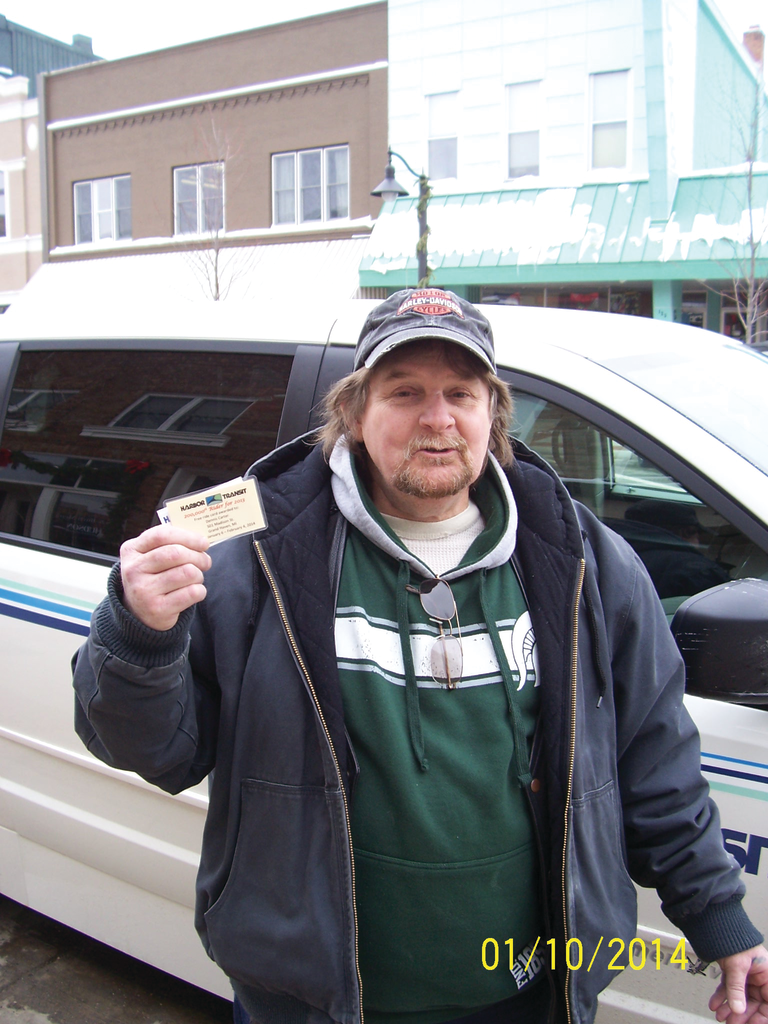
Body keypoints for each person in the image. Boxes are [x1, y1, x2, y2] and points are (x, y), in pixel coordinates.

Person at [73, 288, 768, 1024]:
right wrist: (140, 633)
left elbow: (654, 765)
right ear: (354, 413)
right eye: (404, 392)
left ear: (492, 413)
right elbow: (156, 752)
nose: (436, 419)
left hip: (533, 991)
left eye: (460, 393)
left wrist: (719, 920)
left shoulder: (585, 562)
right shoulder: (250, 556)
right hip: (313, 999)